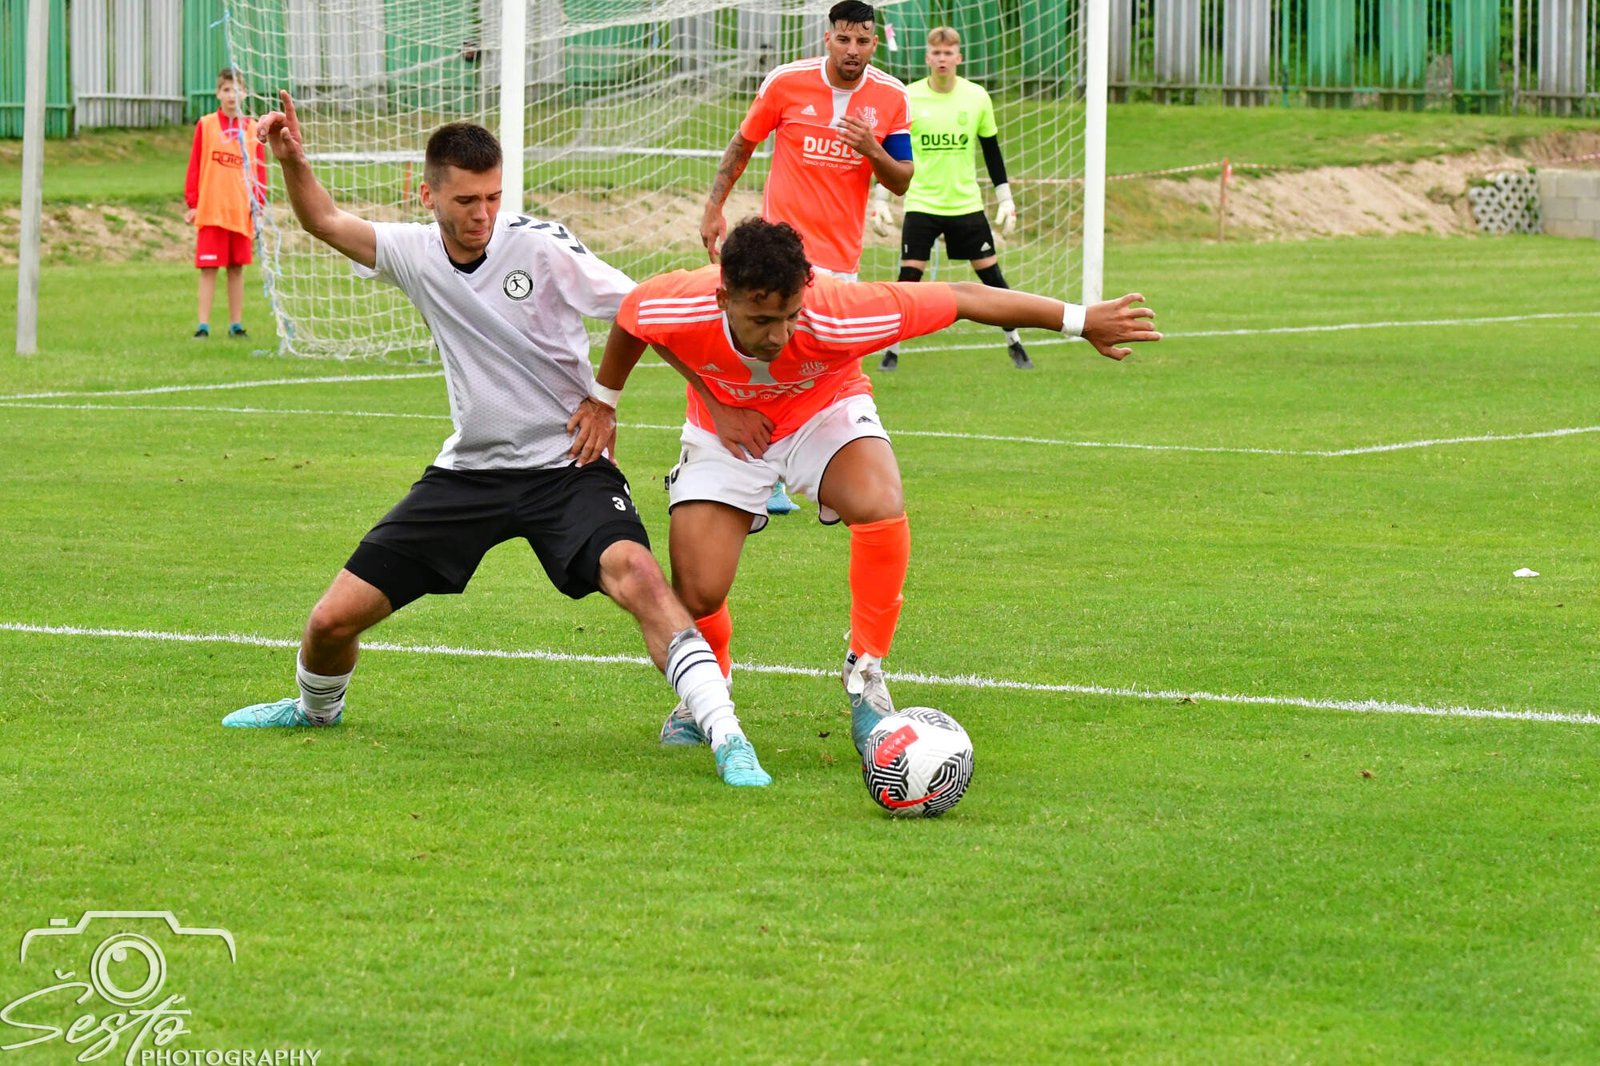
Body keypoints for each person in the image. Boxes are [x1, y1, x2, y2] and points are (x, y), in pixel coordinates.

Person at [221, 91, 772, 789]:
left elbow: (643, 310)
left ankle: (726, 734)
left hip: (567, 465)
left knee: (638, 576)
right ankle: (314, 709)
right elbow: (324, 221)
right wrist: (293, 161)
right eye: (466, 201)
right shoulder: (414, 253)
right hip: (471, 475)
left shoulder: (540, 246)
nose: (482, 214)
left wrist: (645, 401)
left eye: (493, 197)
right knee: (330, 622)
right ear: (428, 195)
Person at [567, 218, 1159, 756]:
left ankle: (866, 671)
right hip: (726, 432)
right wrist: (606, 401)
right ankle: (708, 689)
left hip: (823, 413)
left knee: (879, 501)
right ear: (724, 297)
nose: (779, 335)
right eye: (762, 320)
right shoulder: (682, 298)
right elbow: (633, 320)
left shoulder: (842, 311)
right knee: (697, 594)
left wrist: (1081, 320)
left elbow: (965, 297)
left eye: (790, 315)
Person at [700, 0, 913, 514]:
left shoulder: (891, 96)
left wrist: (872, 149)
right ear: (828, 39)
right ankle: (763, 476)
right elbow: (743, 144)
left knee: (834, 377)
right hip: (781, 262)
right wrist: (713, 207)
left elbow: (902, 180)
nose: (852, 49)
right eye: (843, 39)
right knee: (766, 361)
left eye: (862, 41)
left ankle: (830, 475)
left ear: (874, 43)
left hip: (841, 265)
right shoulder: (786, 82)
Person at [870, 27, 1030, 372]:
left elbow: (992, 152)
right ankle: (890, 351)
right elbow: (892, 150)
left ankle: (1015, 343)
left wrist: (1005, 199)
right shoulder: (909, 96)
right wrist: (880, 200)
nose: (942, 59)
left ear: (959, 57)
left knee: (993, 279)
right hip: (922, 204)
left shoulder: (976, 97)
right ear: (927, 57)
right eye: (936, 53)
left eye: (948, 53)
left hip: (965, 205)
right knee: (908, 279)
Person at [184, 68, 267, 340]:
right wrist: (193, 203)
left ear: (245, 93)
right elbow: (195, 165)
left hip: (240, 212)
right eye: (227, 90)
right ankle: (203, 326)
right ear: (218, 93)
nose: (232, 95)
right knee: (209, 269)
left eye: (237, 90)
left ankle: (236, 324)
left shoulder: (253, 129)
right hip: (212, 210)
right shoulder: (206, 125)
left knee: (236, 268)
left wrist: (259, 206)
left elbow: (260, 171)